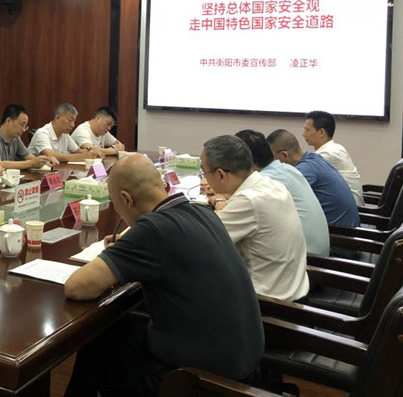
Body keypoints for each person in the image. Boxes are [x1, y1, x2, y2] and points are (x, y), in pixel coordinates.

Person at [63, 154, 263, 396]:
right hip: (244, 360)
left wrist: (127, 248)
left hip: (199, 376)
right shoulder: (204, 213)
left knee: (97, 342)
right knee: (117, 329)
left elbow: (77, 287)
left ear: (126, 199)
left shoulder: (152, 230)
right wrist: (128, 249)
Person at [202, 135, 309, 301]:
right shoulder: (272, 185)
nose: (204, 176)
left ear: (221, 175)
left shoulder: (248, 201)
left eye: (204, 171)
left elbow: (202, 241)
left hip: (270, 304)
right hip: (295, 292)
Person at [235, 129, 330, 257]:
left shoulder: (265, 180)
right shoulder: (287, 168)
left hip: (309, 258)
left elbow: (238, 205)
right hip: (319, 250)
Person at [267, 129, 360, 229]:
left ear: (284, 155)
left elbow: (276, 197)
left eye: (273, 160)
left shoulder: (303, 171)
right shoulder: (314, 158)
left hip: (340, 232)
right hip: (348, 227)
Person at [303, 110, 364, 206]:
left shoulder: (328, 154)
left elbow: (300, 178)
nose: (303, 134)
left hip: (347, 209)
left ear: (321, 132)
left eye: (307, 130)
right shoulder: (337, 148)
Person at [0, 104, 56, 170]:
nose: (23, 130)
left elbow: (29, 157)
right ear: (8, 121)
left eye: (25, 126)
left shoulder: (15, 139)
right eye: (22, 125)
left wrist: (45, 160)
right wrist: (30, 163)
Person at [28, 103, 103, 163]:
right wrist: (82, 157)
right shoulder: (42, 133)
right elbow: (51, 155)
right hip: (34, 175)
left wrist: (92, 151)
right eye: (70, 120)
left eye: (74, 121)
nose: (73, 125)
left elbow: (78, 151)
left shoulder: (65, 135)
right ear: (57, 118)